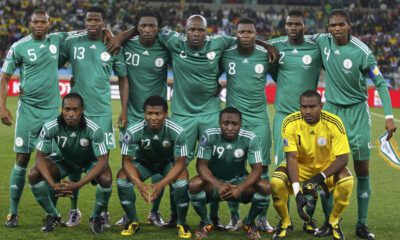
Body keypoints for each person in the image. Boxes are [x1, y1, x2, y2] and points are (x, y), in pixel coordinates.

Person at [311, 9, 397, 239]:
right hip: (331, 113)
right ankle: (329, 223)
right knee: (326, 171)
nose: (336, 29)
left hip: (357, 113)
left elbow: (380, 84)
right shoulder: (322, 41)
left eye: (340, 25)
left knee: (362, 169)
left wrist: (388, 116)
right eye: (332, 25)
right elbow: (295, 38)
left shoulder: (363, 52)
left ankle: (361, 224)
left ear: (349, 26)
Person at [0, 9, 72, 227]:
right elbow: (4, 78)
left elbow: (84, 33)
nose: (39, 25)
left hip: (51, 112)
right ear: (29, 24)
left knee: (51, 163)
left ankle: (52, 213)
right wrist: (2, 107)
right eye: (35, 22)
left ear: (49, 24)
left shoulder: (57, 40)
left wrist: (107, 32)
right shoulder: (19, 47)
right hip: (28, 111)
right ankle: (13, 212)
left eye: (43, 22)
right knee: (22, 160)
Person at [60, 5, 129, 227]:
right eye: (89, 20)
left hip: (101, 114)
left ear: (103, 22)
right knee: (72, 163)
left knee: (104, 167)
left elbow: (123, 78)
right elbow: (50, 60)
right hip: (76, 114)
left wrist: (124, 110)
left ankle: (102, 212)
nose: (92, 24)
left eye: (96, 20)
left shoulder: (113, 45)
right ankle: (73, 211)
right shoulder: (72, 42)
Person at [114, 9, 171, 228]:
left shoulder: (166, 47)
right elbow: (108, 38)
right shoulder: (127, 45)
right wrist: (124, 110)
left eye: (152, 26)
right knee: (128, 164)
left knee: (159, 164)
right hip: (132, 116)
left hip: (157, 117)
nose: (147, 30)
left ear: (159, 28)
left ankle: (154, 213)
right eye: (142, 26)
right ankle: (129, 214)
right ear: (136, 28)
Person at [271, 90, 354, 240]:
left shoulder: (334, 122)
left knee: (347, 181)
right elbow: (291, 157)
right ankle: (285, 222)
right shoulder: (290, 122)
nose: (307, 111)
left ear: (321, 106)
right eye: (304, 107)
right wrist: (297, 193)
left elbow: (342, 158)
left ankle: (333, 222)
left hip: (325, 167)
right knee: (276, 182)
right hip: (300, 166)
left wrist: (317, 179)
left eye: (312, 107)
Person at [267, 10, 323, 234]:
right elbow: (252, 41)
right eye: (289, 23)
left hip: (309, 120)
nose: (292, 27)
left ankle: (309, 219)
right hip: (283, 117)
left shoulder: (316, 48)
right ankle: (286, 220)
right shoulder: (277, 46)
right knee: (283, 170)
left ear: (305, 26)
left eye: (297, 24)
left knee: (310, 170)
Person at [27, 93, 112, 234]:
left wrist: (79, 184)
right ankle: (53, 215)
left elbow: (103, 161)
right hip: (65, 161)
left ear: (82, 110)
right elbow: (40, 157)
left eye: (75, 109)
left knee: (106, 178)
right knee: (33, 174)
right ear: (62, 110)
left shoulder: (94, 129)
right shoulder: (51, 126)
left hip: (88, 162)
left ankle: (95, 217)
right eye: (67, 109)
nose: (71, 114)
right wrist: (53, 184)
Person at [221, 18, 274, 233]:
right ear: (236, 34)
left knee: (263, 169)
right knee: (231, 168)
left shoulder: (266, 55)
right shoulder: (227, 54)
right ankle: (234, 217)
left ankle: (260, 217)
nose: (245, 35)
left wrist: (267, 45)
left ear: (256, 34)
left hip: (259, 119)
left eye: (250, 32)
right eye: (241, 31)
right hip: (234, 121)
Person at [189, 107, 270, 239]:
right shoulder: (209, 135)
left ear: (240, 124)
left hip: (239, 183)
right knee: (193, 184)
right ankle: (205, 222)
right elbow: (201, 165)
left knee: (265, 187)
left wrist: (241, 187)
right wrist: (217, 184)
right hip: (214, 184)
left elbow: (257, 169)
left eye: (234, 124)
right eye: (225, 123)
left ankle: (249, 223)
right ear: (219, 123)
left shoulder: (250, 138)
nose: (230, 127)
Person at [117, 95, 191, 238]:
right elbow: (126, 161)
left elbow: (181, 163)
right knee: (122, 178)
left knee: (182, 181)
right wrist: (139, 184)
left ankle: (181, 223)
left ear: (165, 114)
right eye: (149, 113)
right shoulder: (133, 131)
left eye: (158, 113)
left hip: (167, 163)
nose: (153, 117)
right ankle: (133, 221)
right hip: (144, 163)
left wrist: (162, 183)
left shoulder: (177, 131)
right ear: (144, 114)